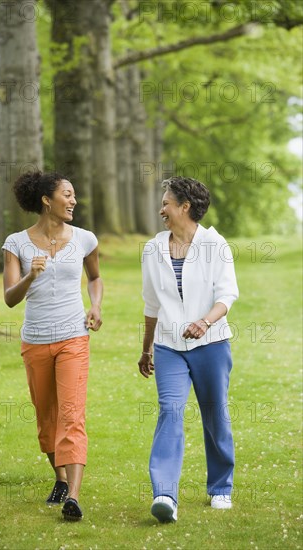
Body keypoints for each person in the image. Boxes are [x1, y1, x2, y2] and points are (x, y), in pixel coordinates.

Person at [2, 171, 103, 521]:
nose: (74, 201)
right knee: (47, 419)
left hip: (74, 336)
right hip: (36, 341)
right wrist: (31, 275)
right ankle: (60, 479)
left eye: (74, 195)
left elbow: (95, 277)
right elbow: (9, 299)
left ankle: (73, 497)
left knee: (71, 415)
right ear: (47, 200)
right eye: (67, 194)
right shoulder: (16, 243)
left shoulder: (85, 238)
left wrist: (96, 305)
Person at [138, 176, 239, 523]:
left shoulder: (215, 244)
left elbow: (227, 295)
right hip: (169, 346)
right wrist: (146, 349)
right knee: (170, 411)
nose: (161, 209)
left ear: (185, 207)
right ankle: (165, 493)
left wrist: (204, 322)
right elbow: (151, 304)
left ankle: (221, 488)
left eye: (166, 203)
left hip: (210, 344)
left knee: (214, 415)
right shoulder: (153, 249)